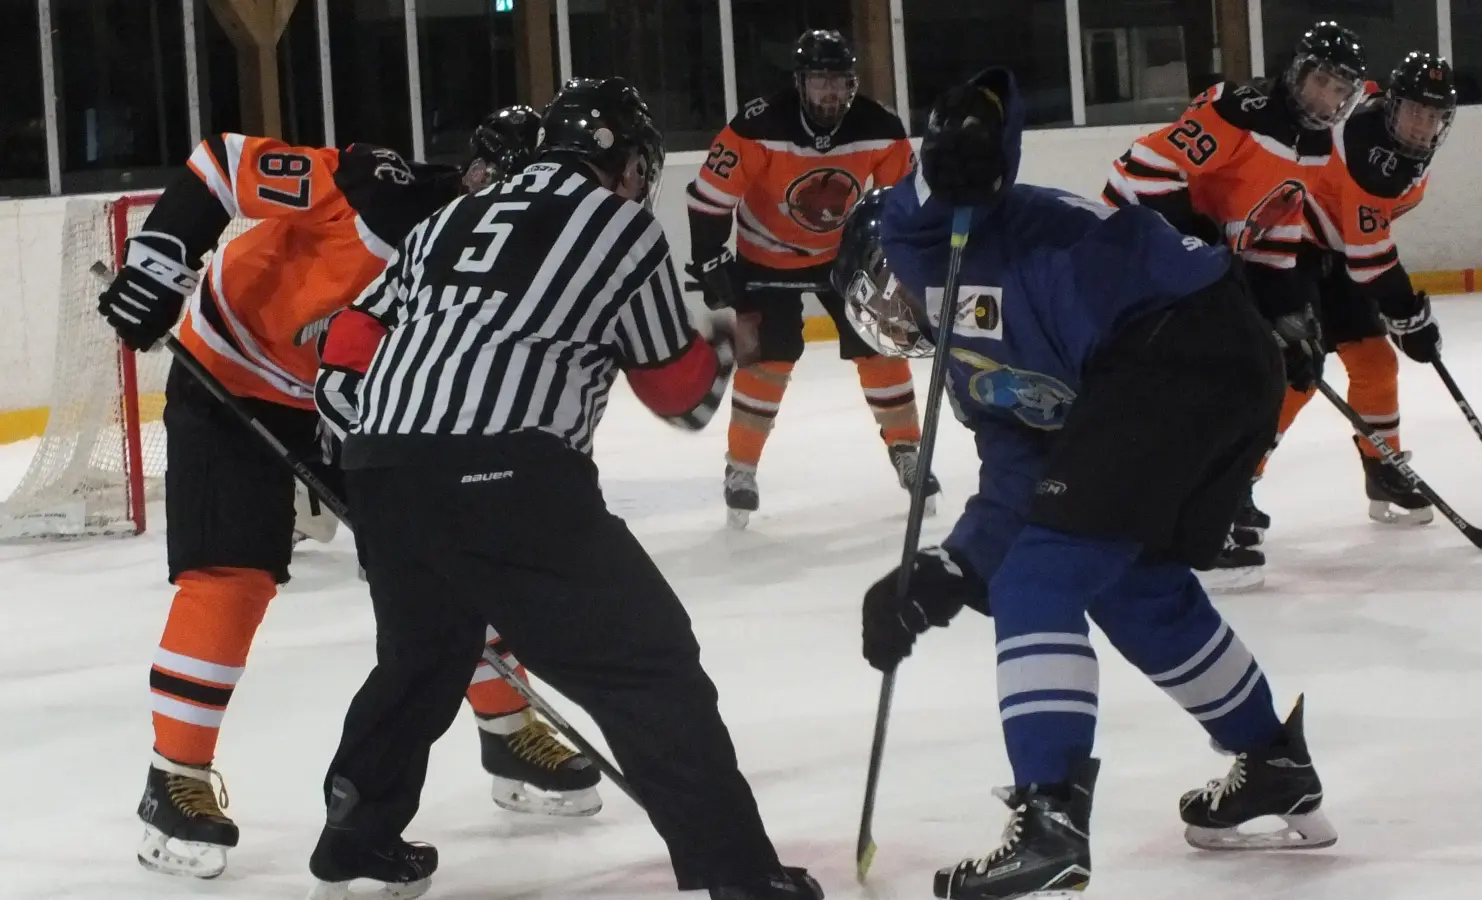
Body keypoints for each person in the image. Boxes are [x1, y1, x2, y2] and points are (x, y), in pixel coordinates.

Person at [305, 77, 822, 900]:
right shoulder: (620, 227)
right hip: (507, 471)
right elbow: (678, 396)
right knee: (648, 663)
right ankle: (739, 873)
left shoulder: (448, 218)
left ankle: (356, 834)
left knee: (422, 656)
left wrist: (353, 415)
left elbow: (354, 328)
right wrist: (732, 338)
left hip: (383, 470)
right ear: (618, 159)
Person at [836, 69, 1336, 900]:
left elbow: (982, 112)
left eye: (884, 300)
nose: (899, 321)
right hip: (1216, 367)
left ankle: (1050, 823)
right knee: (1131, 578)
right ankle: (1273, 762)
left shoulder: (926, 232)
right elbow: (1020, 475)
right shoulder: (970, 367)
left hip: (1172, 343)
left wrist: (969, 128)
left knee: (1042, 573)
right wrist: (946, 573)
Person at [95, 106, 600, 881]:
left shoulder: (516, 264)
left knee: (443, 562)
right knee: (233, 575)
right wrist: (163, 257)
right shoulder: (371, 188)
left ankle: (505, 728)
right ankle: (175, 780)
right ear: (479, 172)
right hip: (230, 368)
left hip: (358, 410)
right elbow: (222, 164)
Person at [1102, 21, 1368, 586]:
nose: (1327, 99)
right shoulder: (1238, 110)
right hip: (1135, 256)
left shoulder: (1317, 145)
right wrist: (1200, 244)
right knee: (1215, 377)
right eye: (1320, 81)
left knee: (1274, 366)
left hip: (1200, 263)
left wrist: (1286, 314)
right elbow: (1137, 172)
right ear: (1296, 71)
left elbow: (1276, 228)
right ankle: (1188, 517)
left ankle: (1221, 496)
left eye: (1339, 91)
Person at [686, 29, 937, 528]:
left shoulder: (879, 126)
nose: (831, 93)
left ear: (853, 83)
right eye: (820, 82)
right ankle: (741, 467)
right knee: (767, 359)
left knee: (880, 344)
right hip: (764, 255)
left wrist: (908, 259)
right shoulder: (758, 125)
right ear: (800, 83)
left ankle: (907, 449)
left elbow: (905, 202)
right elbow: (708, 198)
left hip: (845, 254)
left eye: (840, 82)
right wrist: (712, 261)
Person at [1262, 51, 1456, 533]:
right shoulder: (1374, 158)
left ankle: (1382, 468)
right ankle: (1235, 484)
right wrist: (1410, 316)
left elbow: (1363, 250)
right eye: (1413, 111)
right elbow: (1371, 260)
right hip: (1289, 249)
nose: (1420, 126)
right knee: (1296, 375)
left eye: (1433, 116)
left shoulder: (1385, 126)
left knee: (1374, 361)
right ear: (1392, 106)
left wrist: (1407, 317)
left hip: (1335, 251)